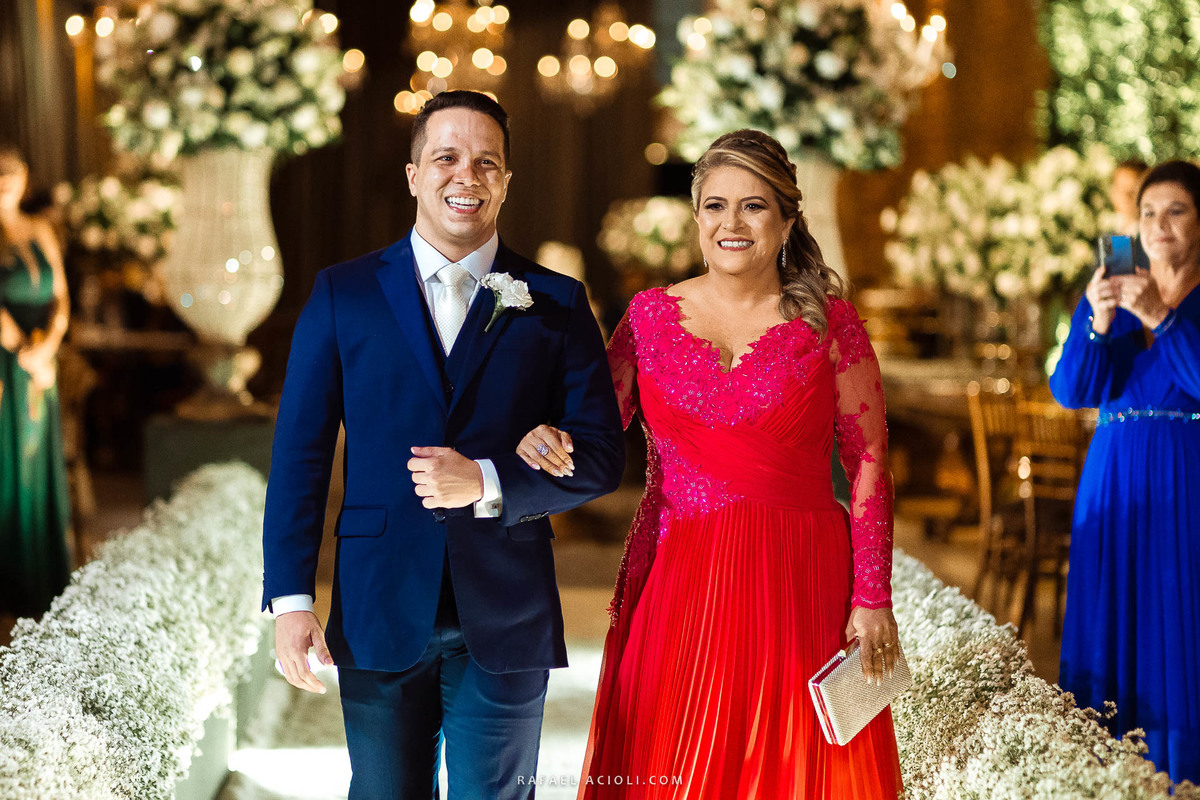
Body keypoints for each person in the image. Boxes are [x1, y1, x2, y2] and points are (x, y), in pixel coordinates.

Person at [261, 91, 624, 799]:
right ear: (413, 175)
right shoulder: (343, 294)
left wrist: (487, 479)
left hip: (508, 607)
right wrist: (291, 599)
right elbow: (300, 456)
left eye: (487, 162)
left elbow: (602, 456)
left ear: (507, 181)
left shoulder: (555, 301)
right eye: (446, 158)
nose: (467, 176)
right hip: (378, 601)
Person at [518, 130, 903, 798]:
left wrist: (872, 596)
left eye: (754, 206)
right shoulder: (648, 318)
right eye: (716, 206)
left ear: (786, 221)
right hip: (680, 573)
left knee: (786, 762)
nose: (733, 223)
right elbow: (595, 431)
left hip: (798, 578)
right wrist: (538, 432)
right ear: (696, 218)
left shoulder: (831, 325)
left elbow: (868, 460)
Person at [1051, 159, 1200, 784]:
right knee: (1109, 624)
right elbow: (1071, 390)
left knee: (1181, 620)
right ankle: (1106, 776)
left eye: (1176, 211)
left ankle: (1183, 773)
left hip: (1185, 483)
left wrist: (1162, 319)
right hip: (1112, 481)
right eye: (1148, 213)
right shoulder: (1117, 289)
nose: (1158, 225)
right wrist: (1099, 319)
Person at [0, 141, 71, 618]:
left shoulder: (40, 229)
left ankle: (39, 585)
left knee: (35, 466)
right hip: (7, 363)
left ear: (25, 176)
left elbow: (61, 297)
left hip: (41, 360)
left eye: (12, 170)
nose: (5, 179)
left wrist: (47, 349)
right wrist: (23, 351)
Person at [1111, 159, 1149, 236]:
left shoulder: (1149, 234)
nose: (1125, 196)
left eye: (1132, 190)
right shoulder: (1110, 230)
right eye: (1120, 189)